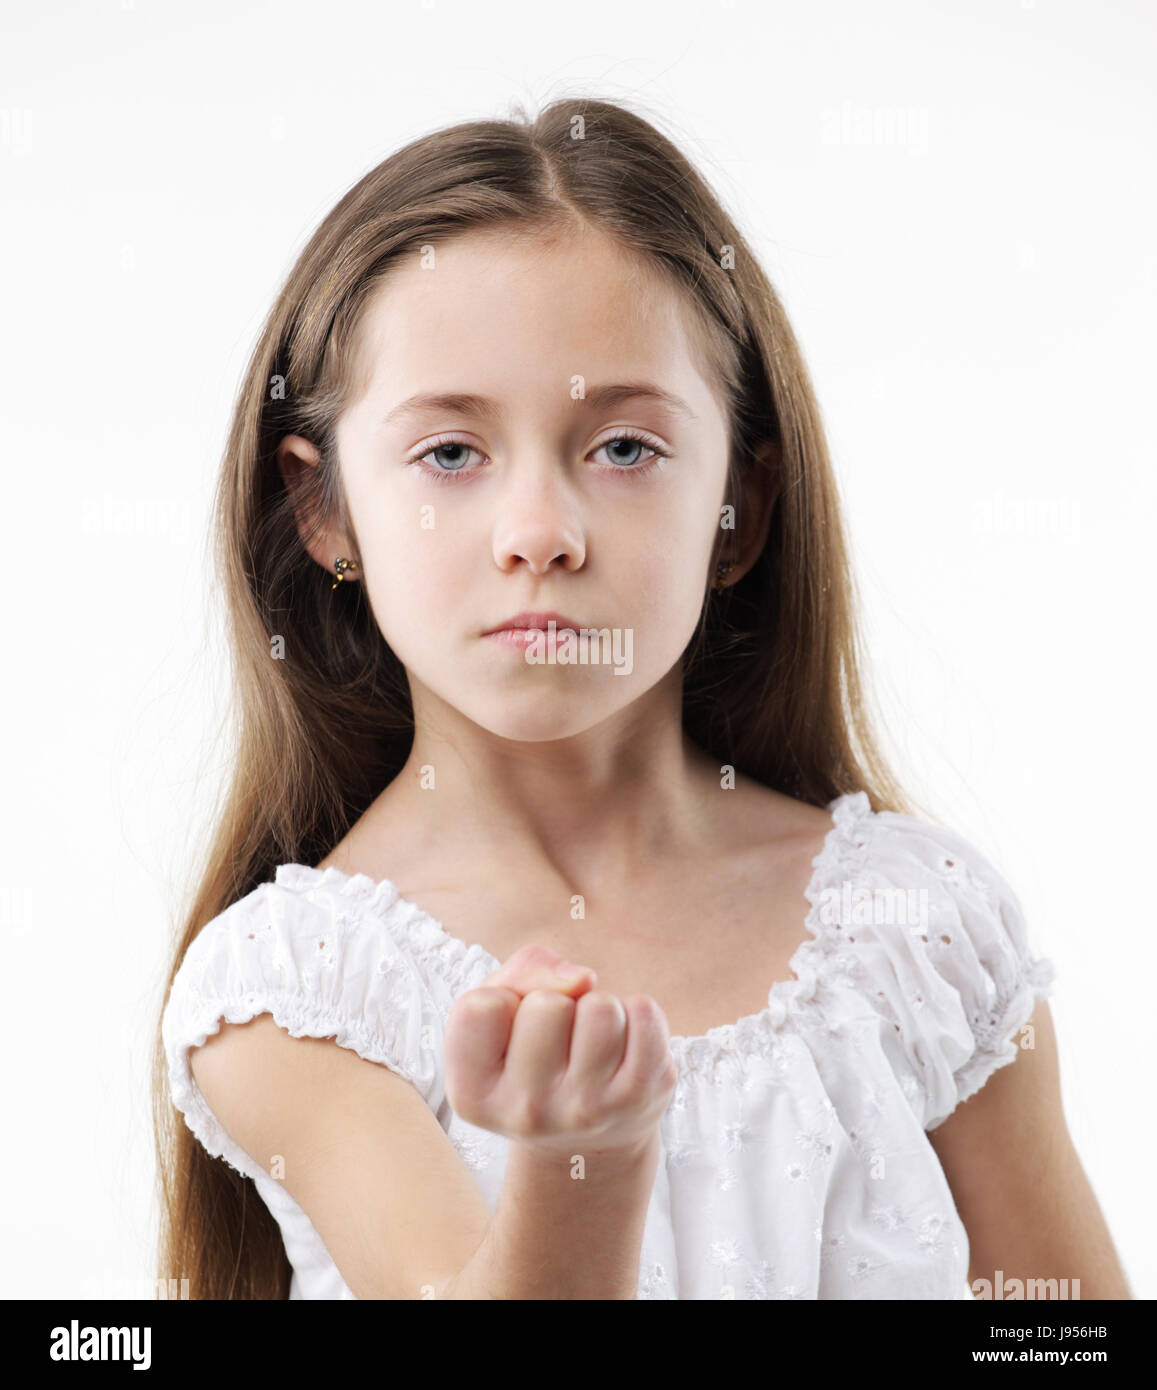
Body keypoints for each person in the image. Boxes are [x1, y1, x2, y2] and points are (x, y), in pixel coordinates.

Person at [154, 95, 1130, 1300]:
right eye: (451, 453)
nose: (539, 533)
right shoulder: (293, 989)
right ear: (325, 512)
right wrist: (586, 1163)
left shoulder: (919, 929)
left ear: (740, 510)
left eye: (621, 448)